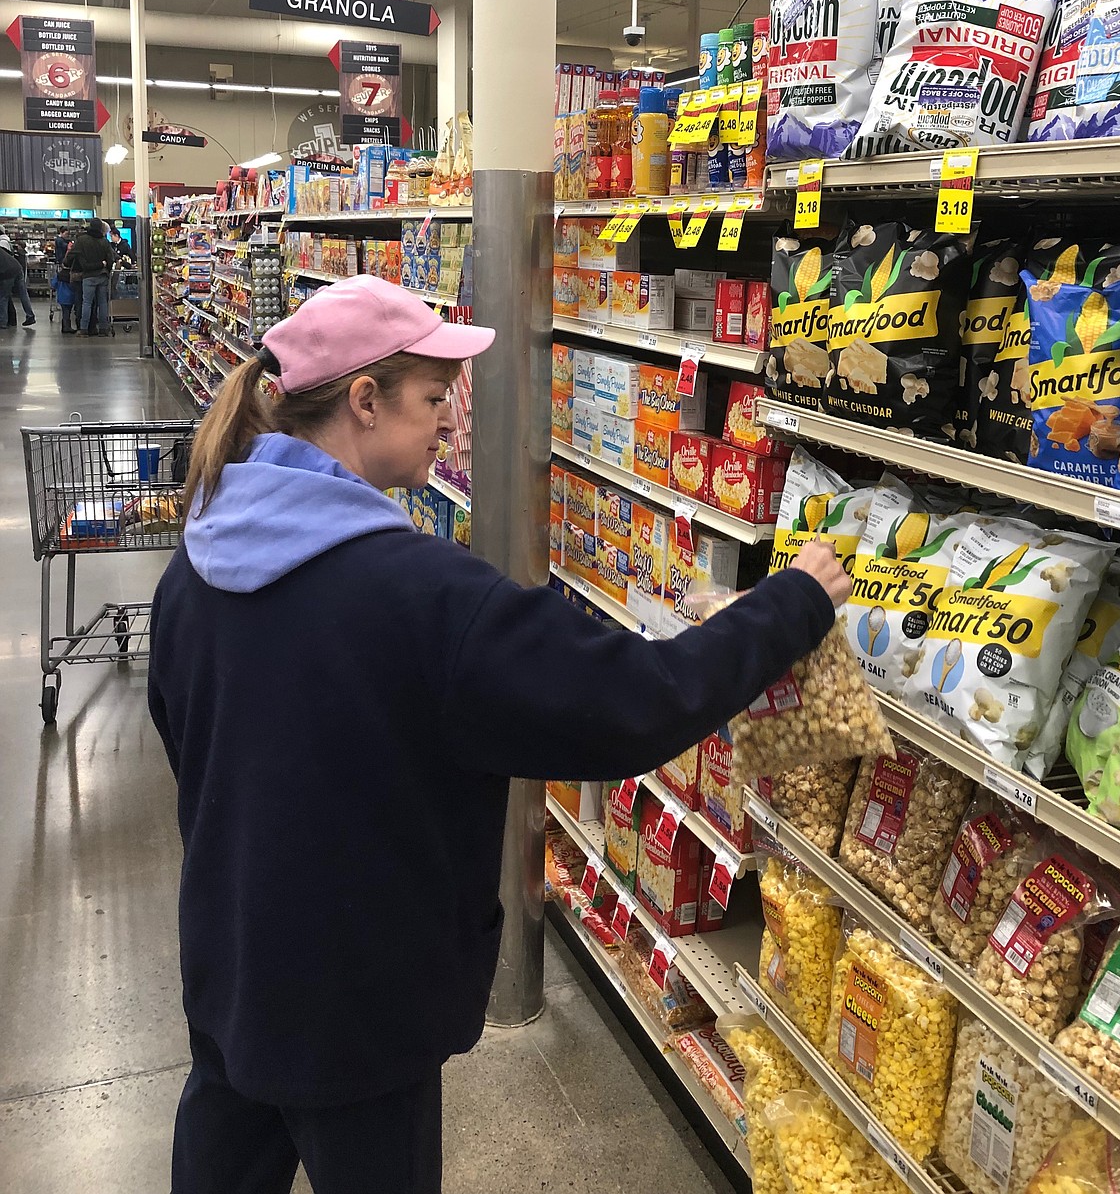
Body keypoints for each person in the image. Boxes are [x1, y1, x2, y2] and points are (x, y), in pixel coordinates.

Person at [149, 275, 849, 1194]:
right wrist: (792, 604)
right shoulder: (424, 596)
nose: (449, 421)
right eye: (435, 397)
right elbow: (637, 702)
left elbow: (185, 738)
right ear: (365, 400)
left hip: (231, 967)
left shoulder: (198, 558)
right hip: (363, 1008)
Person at [61, 217, 115, 336]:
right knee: (102, 303)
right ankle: (103, 329)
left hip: (88, 276)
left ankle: (84, 329)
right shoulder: (104, 241)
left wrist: (67, 263)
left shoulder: (82, 240)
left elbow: (71, 256)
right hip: (102, 275)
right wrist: (106, 268)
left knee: (87, 303)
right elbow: (110, 259)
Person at [0, 233, 36, 327]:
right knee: (23, 294)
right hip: (17, 268)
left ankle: (3, 322)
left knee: (3, 297)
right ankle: (30, 316)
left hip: (7, 272)